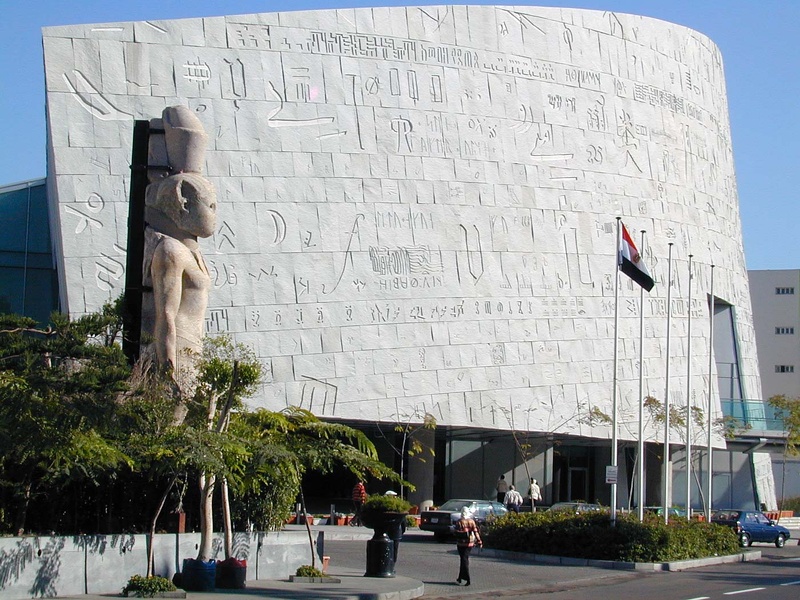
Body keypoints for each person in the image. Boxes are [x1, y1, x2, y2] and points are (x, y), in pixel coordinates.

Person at [454, 506, 481, 586]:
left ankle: (467, 578)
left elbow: (456, 531)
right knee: (464, 560)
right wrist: (479, 540)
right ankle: (460, 578)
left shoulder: (459, 521)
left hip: (460, 543)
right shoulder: (471, 521)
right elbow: (475, 531)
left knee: (464, 560)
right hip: (469, 543)